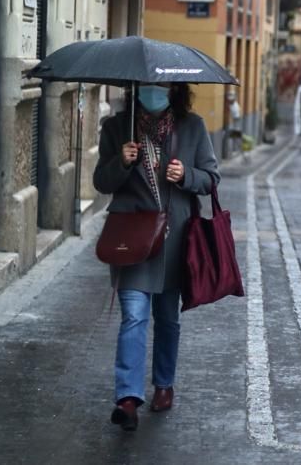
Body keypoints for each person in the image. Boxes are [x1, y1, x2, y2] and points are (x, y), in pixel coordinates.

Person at [93, 82, 220, 432]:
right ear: (136, 89)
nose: (155, 92)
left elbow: (211, 179)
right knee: (133, 315)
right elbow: (101, 182)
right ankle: (128, 398)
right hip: (132, 239)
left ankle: (164, 384)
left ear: (174, 90)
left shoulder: (192, 127)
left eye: (162, 86)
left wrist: (186, 176)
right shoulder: (117, 127)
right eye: (148, 86)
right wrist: (121, 161)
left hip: (175, 239)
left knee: (167, 317)